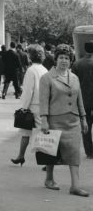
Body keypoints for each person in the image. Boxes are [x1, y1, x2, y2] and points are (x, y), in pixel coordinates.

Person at [39, 44, 89, 197]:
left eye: (67, 58)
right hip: (54, 120)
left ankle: (75, 186)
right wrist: (44, 120)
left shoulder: (74, 77)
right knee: (51, 151)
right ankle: (49, 179)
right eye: (61, 57)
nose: (64, 61)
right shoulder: (47, 78)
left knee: (74, 153)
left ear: (70, 60)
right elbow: (43, 101)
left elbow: (79, 99)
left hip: (73, 121)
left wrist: (83, 118)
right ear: (56, 59)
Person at [11, 44, 48, 166]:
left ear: (30, 56)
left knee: (31, 133)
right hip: (41, 104)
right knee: (31, 132)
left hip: (33, 105)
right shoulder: (44, 69)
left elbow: (28, 91)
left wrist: (24, 107)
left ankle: (46, 162)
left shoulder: (31, 70)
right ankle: (20, 156)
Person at [72, 41, 93, 158]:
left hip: (83, 101)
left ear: (85, 49)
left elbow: (73, 84)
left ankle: (89, 152)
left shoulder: (77, 64)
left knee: (86, 126)